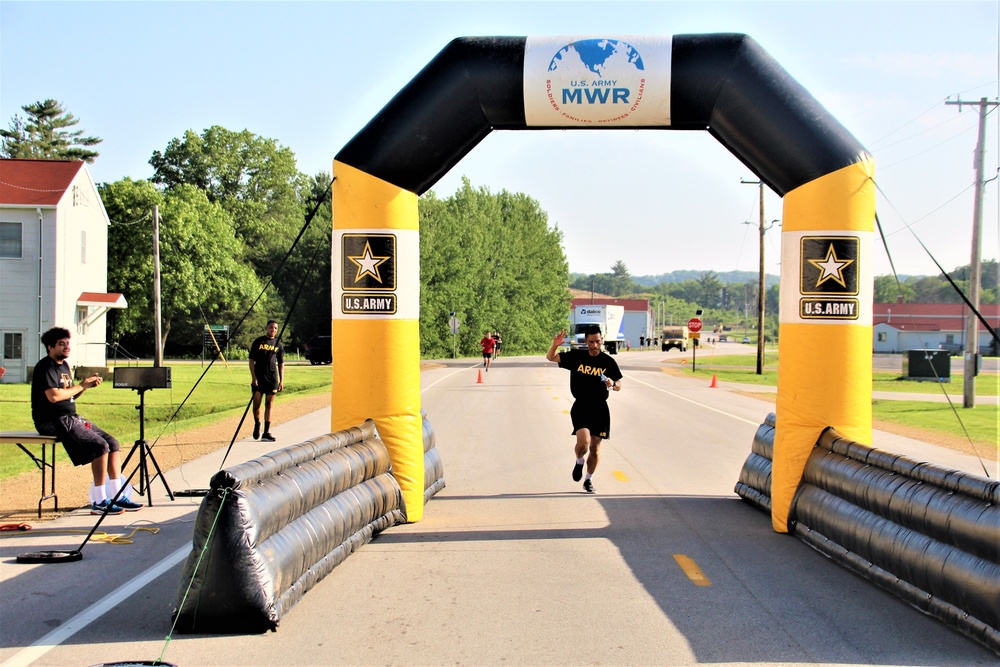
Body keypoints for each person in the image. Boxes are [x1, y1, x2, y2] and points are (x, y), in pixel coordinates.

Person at [31, 327, 142, 514]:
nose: (67, 347)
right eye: (61, 344)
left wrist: (85, 387)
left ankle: (117, 495)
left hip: (70, 417)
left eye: (67, 343)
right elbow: (54, 397)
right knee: (99, 446)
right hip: (52, 420)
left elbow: (69, 396)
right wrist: (81, 384)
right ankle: (100, 501)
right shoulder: (45, 367)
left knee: (112, 443)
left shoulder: (64, 366)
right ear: (50, 347)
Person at [545, 325, 623, 493]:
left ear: (601, 340)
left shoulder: (608, 361)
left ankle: (588, 480)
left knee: (595, 448)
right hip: (581, 405)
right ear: (586, 341)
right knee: (584, 443)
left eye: (598, 342)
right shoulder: (577, 357)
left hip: (600, 408)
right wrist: (555, 345)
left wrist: (613, 384)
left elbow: (619, 385)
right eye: (591, 342)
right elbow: (550, 357)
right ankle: (579, 460)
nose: (595, 346)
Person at [249, 320, 284, 442]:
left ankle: (266, 432)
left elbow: (281, 364)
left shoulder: (278, 344)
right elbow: (251, 360)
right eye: (271, 327)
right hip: (259, 378)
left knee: (269, 404)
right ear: (266, 328)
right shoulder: (259, 342)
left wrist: (281, 380)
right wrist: (254, 378)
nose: (273, 330)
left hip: (272, 378)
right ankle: (257, 423)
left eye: (275, 328)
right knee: (256, 405)